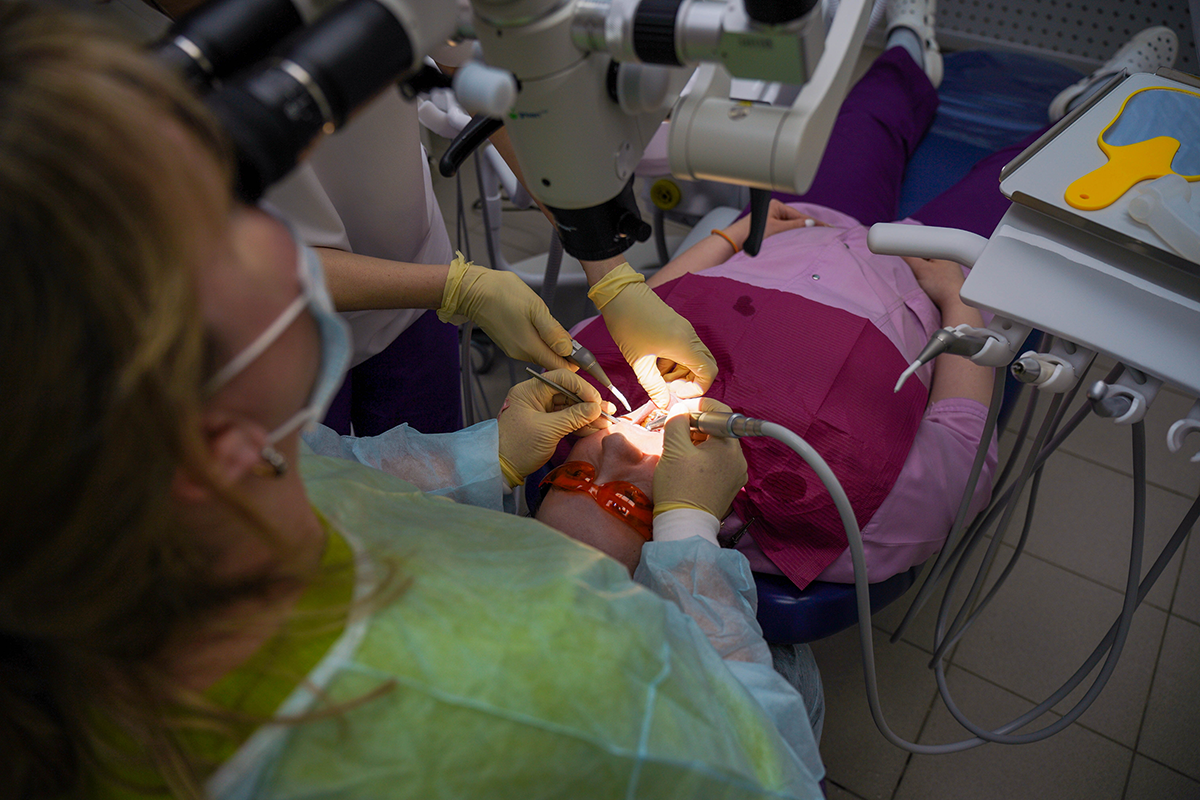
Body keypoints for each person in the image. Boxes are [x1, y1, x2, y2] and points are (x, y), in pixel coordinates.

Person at [0, 6, 823, 798]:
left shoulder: (128, 526)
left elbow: (343, 478)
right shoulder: (568, 682)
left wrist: (482, 455)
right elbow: (767, 765)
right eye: (225, 225)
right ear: (214, 442)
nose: (280, 233)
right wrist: (687, 540)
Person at [533, 18, 1182, 591]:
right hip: (932, 274)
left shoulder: (576, 406)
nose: (611, 455)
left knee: (864, 118)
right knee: (1038, 177)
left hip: (796, 231)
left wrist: (730, 237)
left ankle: (909, 48)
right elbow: (962, 446)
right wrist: (959, 303)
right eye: (627, 502)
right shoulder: (843, 520)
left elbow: (640, 305)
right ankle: (1097, 100)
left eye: (575, 477)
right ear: (682, 540)